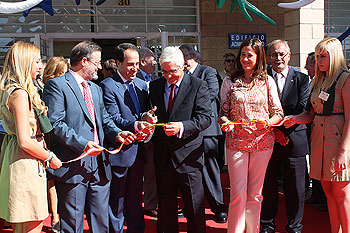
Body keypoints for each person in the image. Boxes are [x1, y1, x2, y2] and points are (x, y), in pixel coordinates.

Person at [42, 41, 135, 233]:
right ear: (84, 61)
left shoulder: (95, 89)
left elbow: (105, 121)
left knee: (101, 223)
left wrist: (118, 134)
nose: (100, 67)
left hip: (100, 165)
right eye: (97, 62)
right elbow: (55, 124)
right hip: (74, 165)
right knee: (73, 224)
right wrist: (84, 144)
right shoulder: (57, 85)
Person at [284, 37, 350, 233]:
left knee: (342, 193)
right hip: (319, 140)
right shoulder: (318, 81)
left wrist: (343, 152)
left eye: (323, 56)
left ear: (335, 56)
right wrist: (294, 119)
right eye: (317, 56)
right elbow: (310, 114)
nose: (318, 60)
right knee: (329, 193)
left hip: (339, 141)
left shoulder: (346, 79)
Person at [218, 38, 283, 233]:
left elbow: (278, 113)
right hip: (236, 143)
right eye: (243, 54)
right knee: (237, 193)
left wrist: (268, 123)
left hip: (262, 143)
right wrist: (225, 123)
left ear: (258, 57)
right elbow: (222, 112)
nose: (246, 58)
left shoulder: (267, 81)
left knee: (255, 194)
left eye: (250, 55)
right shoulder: (230, 81)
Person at [146, 46, 211, 233]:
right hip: (163, 155)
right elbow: (149, 112)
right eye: (164, 71)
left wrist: (182, 127)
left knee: (194, 205)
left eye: (173, 71)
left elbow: (206, 117)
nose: (168, 76)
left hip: (189, 155)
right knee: (165, 206)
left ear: (183, 65)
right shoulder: (155, 86)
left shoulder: (198, 85)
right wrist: (148, 118)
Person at [0, 41, 62, 233]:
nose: (41, 66)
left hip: (18, 159)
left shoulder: (11, 89)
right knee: (31, 224)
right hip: (25, 162)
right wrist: (49, 157)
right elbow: (25, 140)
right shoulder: (20, 93)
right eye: (37, 62)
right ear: (25, 62)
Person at [100, 43, 156, 233]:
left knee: (134, 199)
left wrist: (147, 118)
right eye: (130, 64)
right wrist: (136, 124)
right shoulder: (107, 86)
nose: (135, 68)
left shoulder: (141, 85)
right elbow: (113, 117)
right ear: (118, 63)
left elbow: (143, 113)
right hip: (119, 153)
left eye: (137, 64)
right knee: (117, 200)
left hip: (139, 152)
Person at [260, 40, 310, 233]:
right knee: (268, 186)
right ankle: (267, 225)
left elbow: (302, 107)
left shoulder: (301, 79)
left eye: (282, 54)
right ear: (268, 57)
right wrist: (275, 132)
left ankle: (295, 227)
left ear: (289, 55)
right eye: (273, 54)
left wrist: (283, 131)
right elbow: (260, 109)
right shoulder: (262, 78)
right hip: (267, 139)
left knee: (296, 190)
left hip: (294, 140)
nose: (278, 58)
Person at [179, 44, 227, 223]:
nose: (182, 60)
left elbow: (211, 94)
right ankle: (189, 206)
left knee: (211, 171)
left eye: (184, 56)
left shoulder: (208, 72)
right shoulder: (180, 75)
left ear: (193, 56)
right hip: (186, 132)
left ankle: (218, 207)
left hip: (208, 132)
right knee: (189, 172)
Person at [42, 55, 69, 233]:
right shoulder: (42, 90)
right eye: (63, 73)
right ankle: (55, 216)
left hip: (61, 138)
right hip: (48, 139)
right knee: (51, 179)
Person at [136, 47, 159, 217]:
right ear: (143, 61)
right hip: (137, 132)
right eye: (153, 59)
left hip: (151, 132)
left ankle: (150, 204)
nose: (155, 63)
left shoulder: (152, 79)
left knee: (152, 171)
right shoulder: (136, 80)